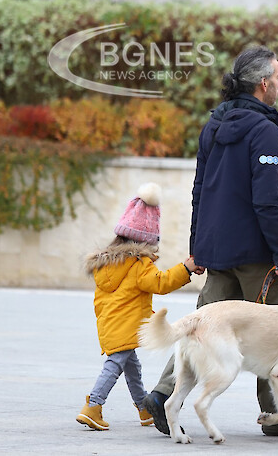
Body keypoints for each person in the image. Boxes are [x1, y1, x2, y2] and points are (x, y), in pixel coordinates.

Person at [142, 46, 278, 437]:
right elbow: (269, 201)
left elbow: (199, 191)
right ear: (263, 83)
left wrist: (196, 246)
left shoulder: (212, 126)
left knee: (201, 327)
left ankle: (164, 392)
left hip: (216, 249)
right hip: (256, 254)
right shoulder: (266, 132)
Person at [76, 182, 197, 431]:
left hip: (112, 323)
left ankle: (143, 410)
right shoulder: (138, 263)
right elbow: (161, 283)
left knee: (132, 367)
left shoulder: (107, 264)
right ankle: (93, 407)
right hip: (128, 325)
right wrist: (186, 269)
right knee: (115, 365)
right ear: (148, 240)